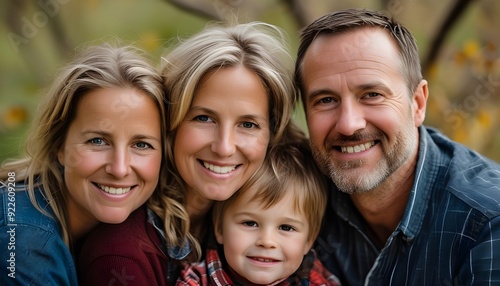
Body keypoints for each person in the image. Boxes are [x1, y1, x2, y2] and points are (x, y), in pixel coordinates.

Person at [77, 21, 297, 285]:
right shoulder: (123, 256)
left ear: (272, 134)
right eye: (204, 118)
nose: (224, 147)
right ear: (171, 121)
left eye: (248, 125)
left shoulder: (275, 227)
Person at [294, 8, 500, 285]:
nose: (348, 124)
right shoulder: (293, 194)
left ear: (418, 103)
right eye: (325, 100)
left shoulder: (488, 221)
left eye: (372, 95)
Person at [0, 43, 166, 285]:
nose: (119, 169)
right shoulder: (26, 247)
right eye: (98, 141)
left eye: (141, 145)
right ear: (60, 145)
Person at [176, 129, 341, 286]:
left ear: (308, 240)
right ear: (219, 227)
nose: (267, 241)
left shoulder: (316, 280)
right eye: (250, 223)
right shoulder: (196, 281)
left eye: (286, 227)